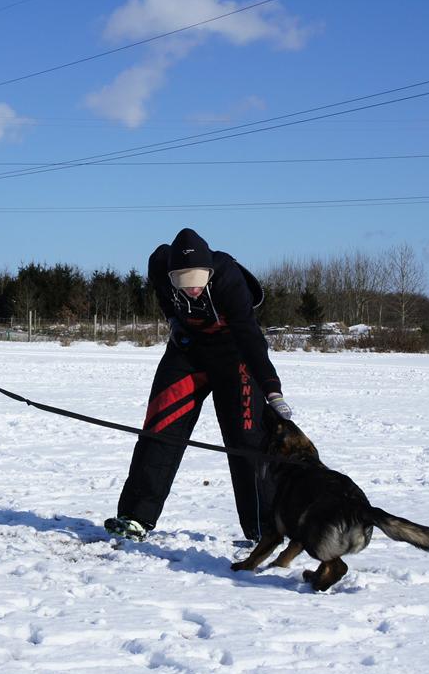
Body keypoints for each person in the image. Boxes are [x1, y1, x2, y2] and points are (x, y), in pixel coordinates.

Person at [106, 227, 293, 543]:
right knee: (159, 428)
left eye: (197, 284)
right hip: (188, 352)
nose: (192, 291)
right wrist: (173, 321)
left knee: (247, 440)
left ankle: (265, 530)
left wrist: (272, 389)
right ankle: (135, 517)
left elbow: (250, 337)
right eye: (184, 285)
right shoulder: (159, 265)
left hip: (234, 355)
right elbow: (165, 295)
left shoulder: (230, 281)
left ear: (208, 272)